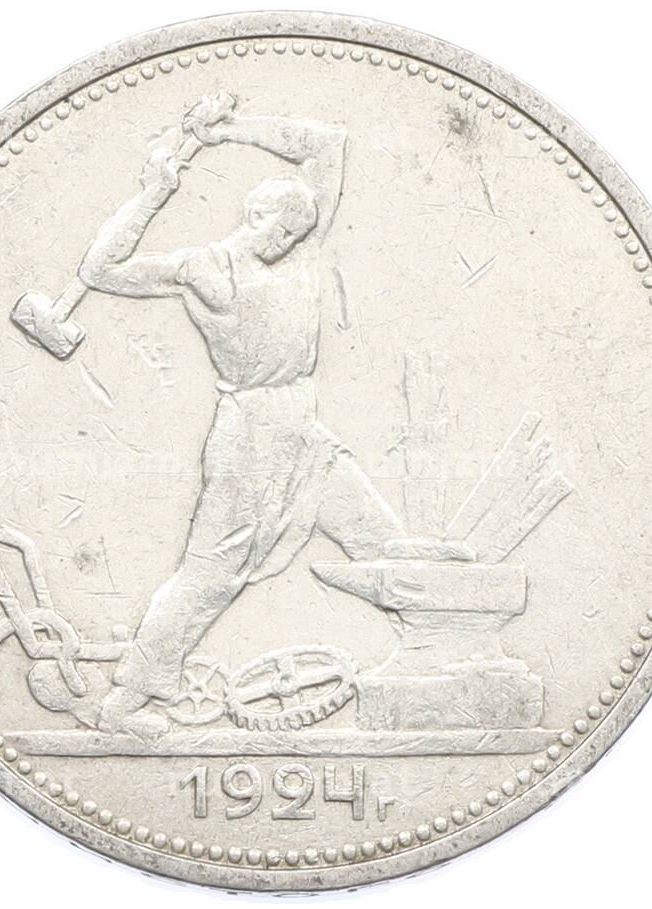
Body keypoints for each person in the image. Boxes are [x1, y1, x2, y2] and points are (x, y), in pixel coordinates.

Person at [78, 97, 473, 734]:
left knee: (379, 540)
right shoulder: (206, 268)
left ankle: (438, 663)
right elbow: (100, 270)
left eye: (297, 232)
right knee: (212, 571)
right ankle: (125, 701)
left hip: (303, 431)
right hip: (250, 437)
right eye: (280, 229)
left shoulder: (302, 251)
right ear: (254, 214)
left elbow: (327, 143)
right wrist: (151, 196)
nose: (287, 241)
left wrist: (230, 130)